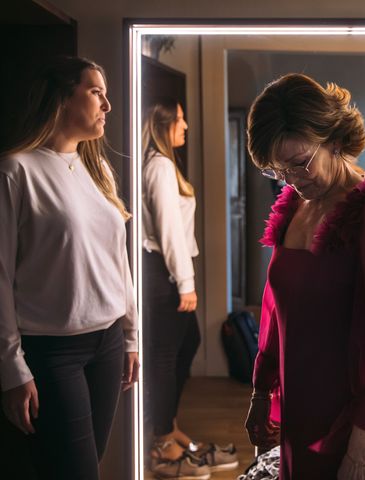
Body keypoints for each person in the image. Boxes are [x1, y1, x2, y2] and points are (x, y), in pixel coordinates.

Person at [244, 73, 365, 480]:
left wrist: (360, 449)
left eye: (300, 163)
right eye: (277, 170)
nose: (291, 180)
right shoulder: (293, 205)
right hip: (298, 407)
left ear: (335, 140)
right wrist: (261, 390)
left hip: (348, 423)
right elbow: (275, 306)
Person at [0, 56, 138, 480]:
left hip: (108, 344)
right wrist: (11, 367)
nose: (107, 105)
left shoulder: (96, 173)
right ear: (62, 97)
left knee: (83, 467)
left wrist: (131, 335)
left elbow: (118, 261)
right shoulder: (16, 170)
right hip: (52, 351)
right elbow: (0, 276)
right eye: (96, 91)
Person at [141, 98, 238, 478]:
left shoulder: (165, 165)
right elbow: (168, 232)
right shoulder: (160, 166)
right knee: (167, 357)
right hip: (163, 272)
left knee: (187, 344)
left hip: (168, 271)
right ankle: (163, 442)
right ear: (163, 124)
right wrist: (186, 282)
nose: (185, 126)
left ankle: (168, 427)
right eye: (179, 120)